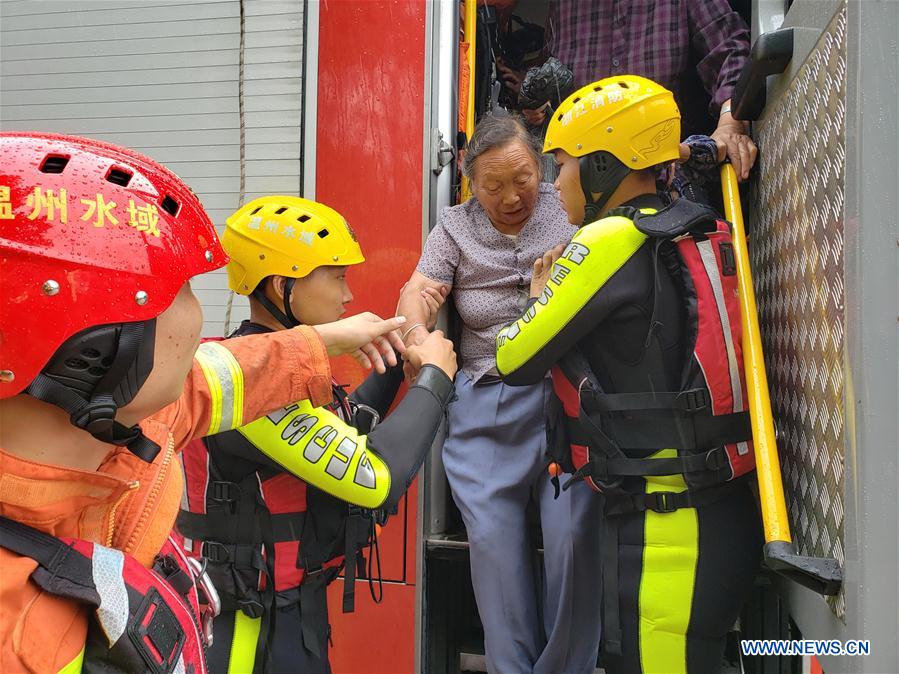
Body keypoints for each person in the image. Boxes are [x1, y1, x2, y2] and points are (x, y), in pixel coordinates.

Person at [0, 132, 408, 673]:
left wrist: (333, 341)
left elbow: (226, 376)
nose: (200, 315)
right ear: (99, 346)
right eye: (182, 290)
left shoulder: (129, 416)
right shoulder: (27, 637)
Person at [495, 76, 764, 674]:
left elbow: (513, 358)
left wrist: (539, 294)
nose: (552, 183)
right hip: (707, 514)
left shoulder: (608, 239)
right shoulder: (688, 220)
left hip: (673, 533)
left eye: (562, 166)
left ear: (601, 169)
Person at [176, 195, 457, 673]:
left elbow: (342, 430)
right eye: (338, 277)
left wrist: (394, 357)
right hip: (251, 630)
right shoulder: (255, 388)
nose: (348, 297)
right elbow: (372, 477)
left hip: (288, 613)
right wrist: (436, 379)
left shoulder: (271, 367)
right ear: (284, 286)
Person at [397, 115, 603, 674]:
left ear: (542, 168)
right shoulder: (455, 229)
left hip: (565, 398)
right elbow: (415, 289)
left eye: (523, 178)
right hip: (487, 401)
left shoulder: (569, 209)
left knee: (573, 541)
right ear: (470, 184)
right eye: (493, 185)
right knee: (493, 550)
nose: (512, 196)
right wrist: (417, 333)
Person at [502, 0, 758, 182]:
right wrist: (532, 98)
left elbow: (729, 50)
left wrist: (730, 124)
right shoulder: (563, 6)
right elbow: (553, 73)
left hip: (671, 179)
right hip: (584, 190)